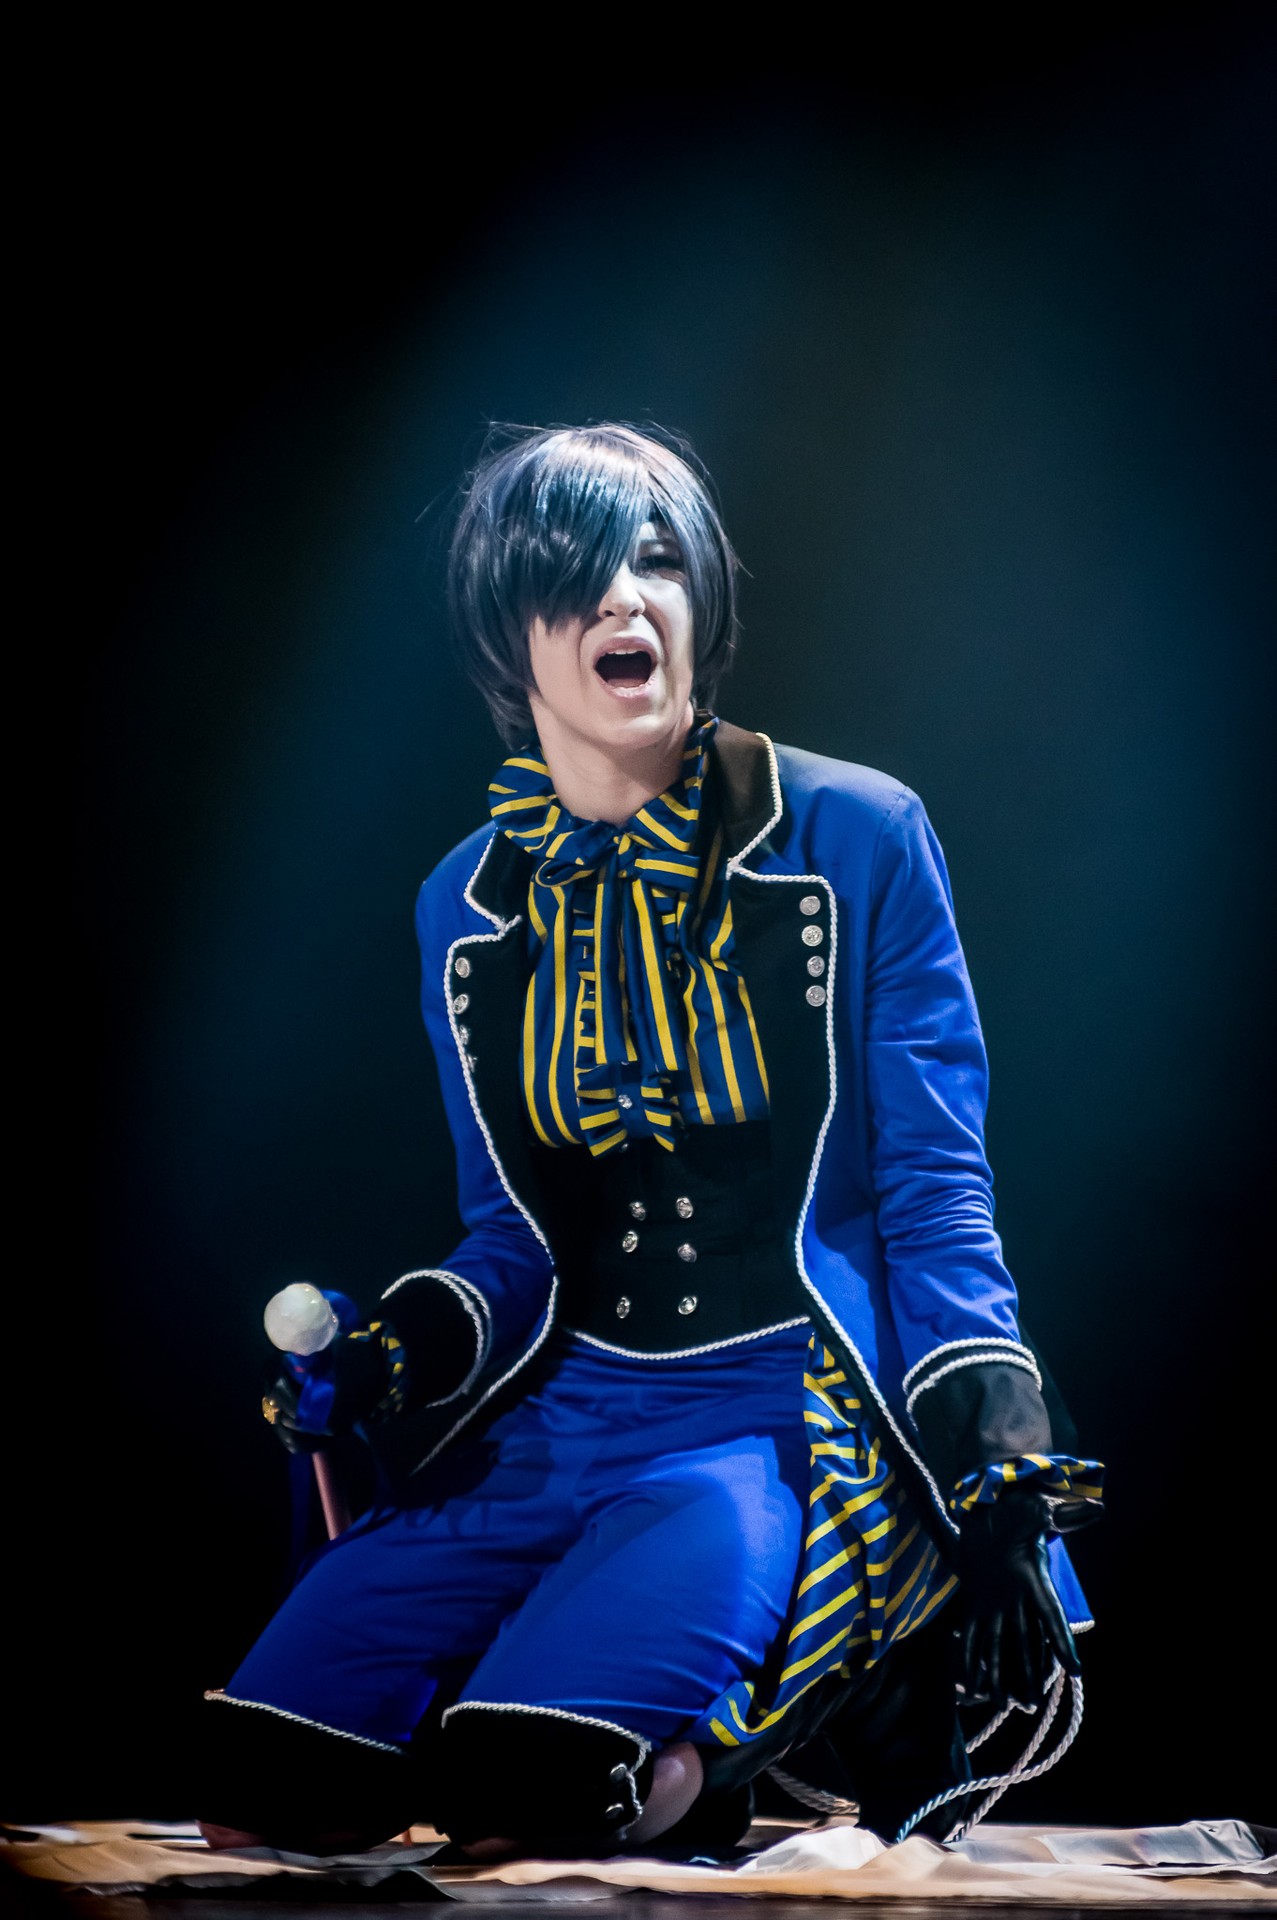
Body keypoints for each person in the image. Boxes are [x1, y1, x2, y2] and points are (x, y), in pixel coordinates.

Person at [193, 423, 1103, 1860]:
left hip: (771, 1418)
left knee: (534, 1794)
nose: (627, 595)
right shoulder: (463, 906)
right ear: (510, 633)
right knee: (262, 1782)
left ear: (701, 604)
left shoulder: (856, 835)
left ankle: (725, 1743)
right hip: (559, 1419)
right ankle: (617, 1724)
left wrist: (994, 1436)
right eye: (579, 572)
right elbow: (511, 1237)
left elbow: (934, 1192)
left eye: (660, 561)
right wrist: (396, 1352)